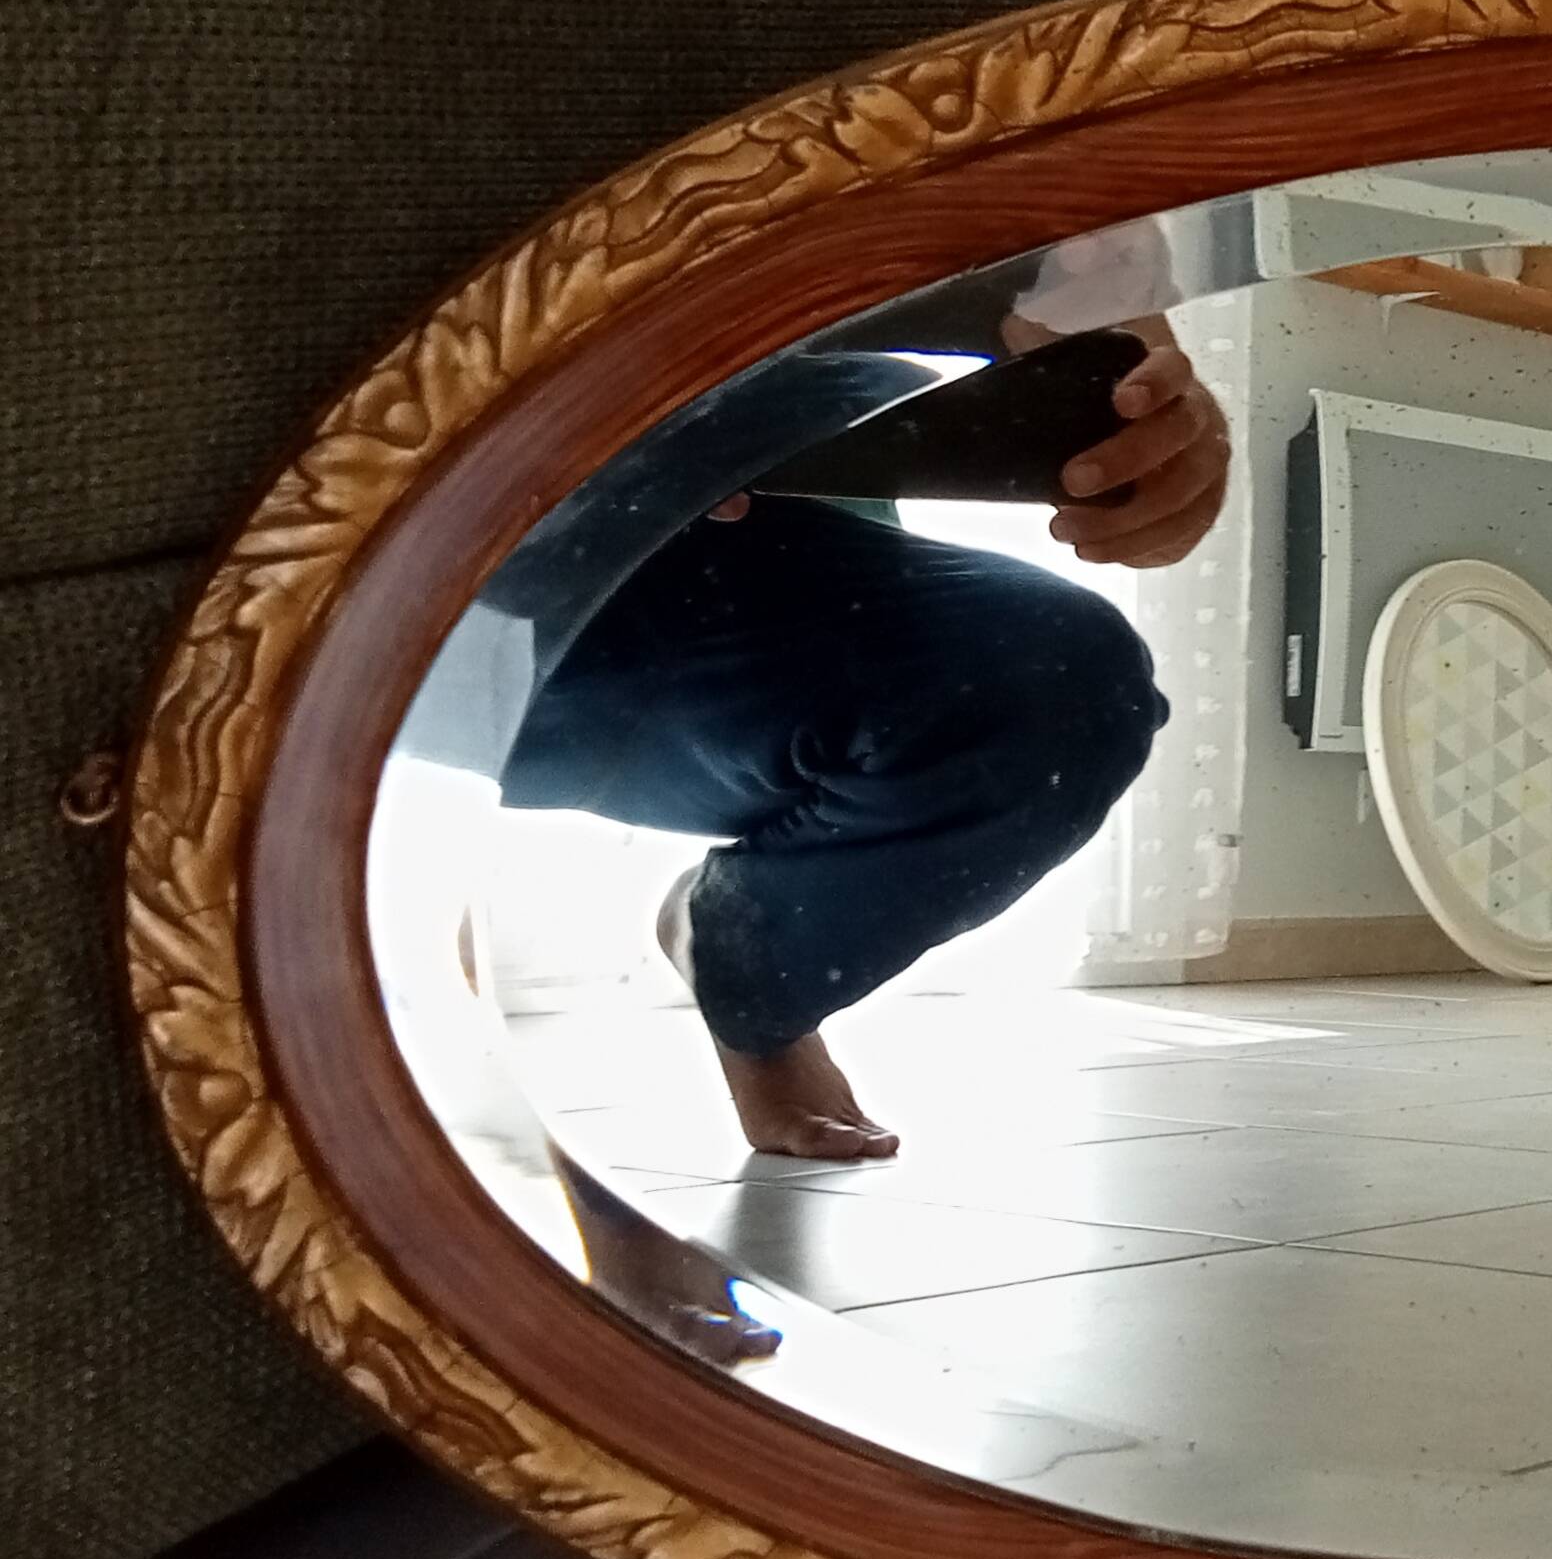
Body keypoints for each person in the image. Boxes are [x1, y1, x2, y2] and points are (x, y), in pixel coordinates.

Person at [496, 311, 1233, 1162]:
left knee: (1058, 677)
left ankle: (745, 951)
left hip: (746, 564)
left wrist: (1174, 445)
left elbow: (1112, 331)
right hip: (452, 524)